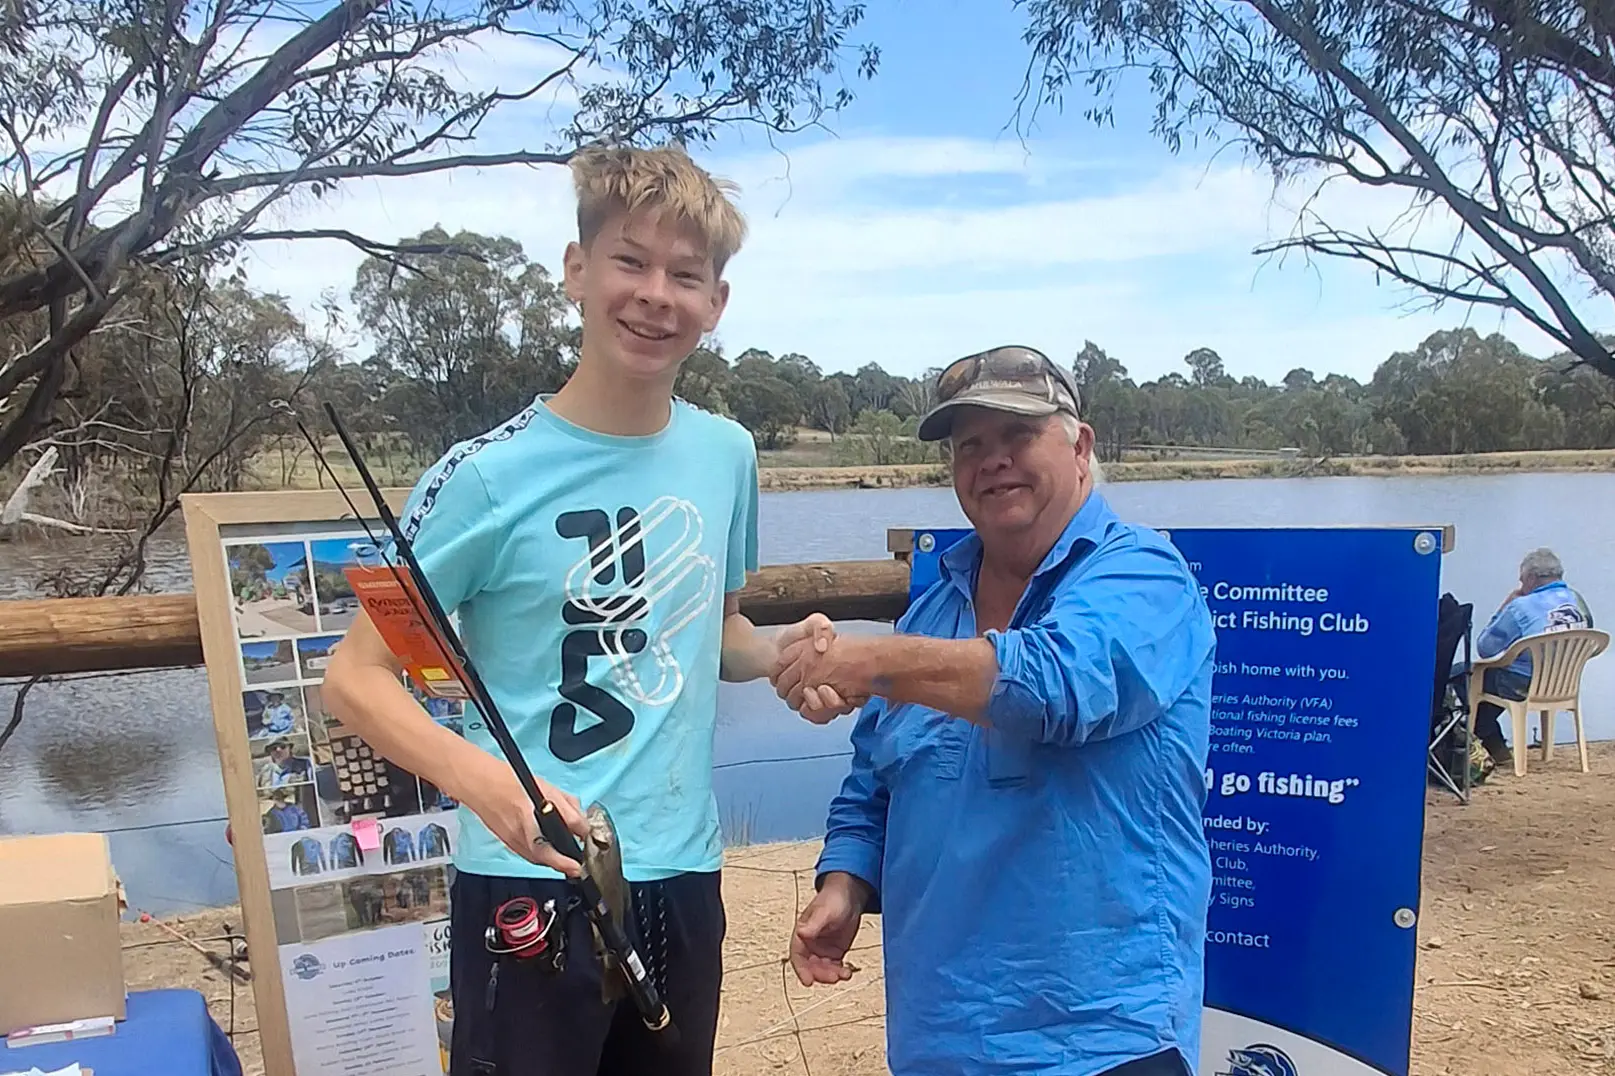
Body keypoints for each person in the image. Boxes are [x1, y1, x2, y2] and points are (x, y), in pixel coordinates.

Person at [320, 142, 830, 1076]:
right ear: (576, 271)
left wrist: (780, 652)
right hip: (529, 881)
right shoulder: (480, 478)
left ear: (715, 303)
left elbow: (713, 631)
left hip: (681, 876)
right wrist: (490, 787)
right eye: (630, 261)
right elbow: (355, 677)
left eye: (685, 274)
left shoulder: (727, 455)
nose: (654, 295)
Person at [770, 345, 1217, 1076]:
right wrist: (844, 883)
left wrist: (866, 660)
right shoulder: (934, 605)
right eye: (968, 445)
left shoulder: (1143, 575)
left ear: (1079, 446)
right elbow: (875, 778)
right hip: (937, 1034)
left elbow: (1057, 684)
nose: (991, 461)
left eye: (1017, 436)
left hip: (1103, 1037)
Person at [1463, 547, 1595, 766]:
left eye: (1522, 580)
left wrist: (1505, 606)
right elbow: (1590, 633)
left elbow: (1485, 648)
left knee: (1463, 676)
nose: (1521, 586)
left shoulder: (1520, 606)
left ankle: (1492, 747)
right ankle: (1496, 747)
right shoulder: (1577, 600)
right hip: (1565, 683)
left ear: (1532, 578)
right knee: (1488, 681)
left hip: (1522, 685)